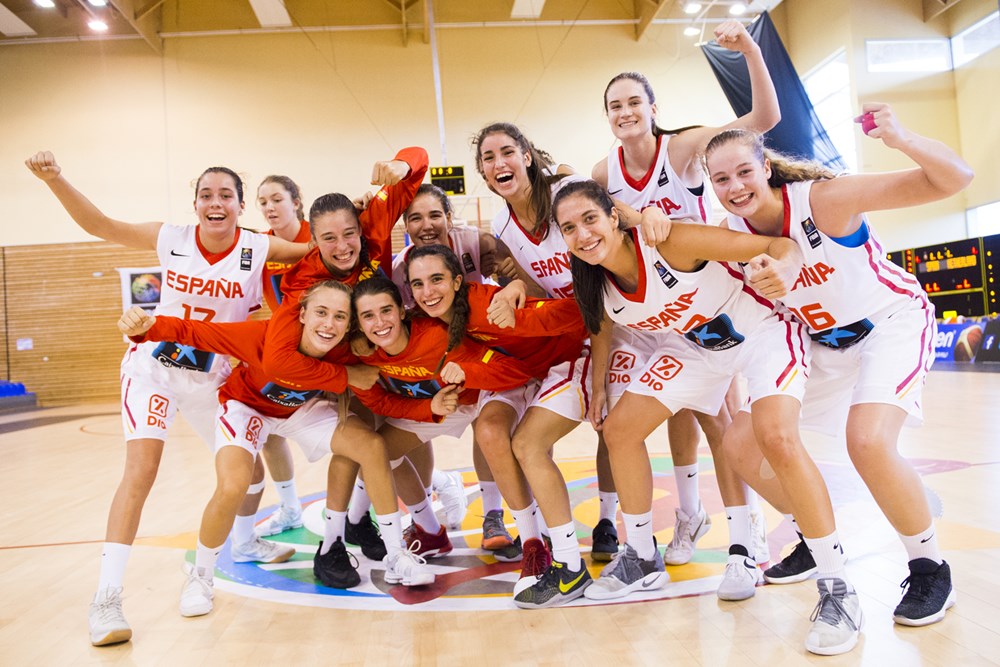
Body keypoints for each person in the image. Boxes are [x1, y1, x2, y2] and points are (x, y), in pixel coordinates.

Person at [702, 103, 973, 655]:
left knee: (867, 442)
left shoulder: (823, 200)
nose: (735, 187)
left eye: (744, 172)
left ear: (766, 168)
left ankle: (929, 568)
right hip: (821, 344)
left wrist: (902, 137)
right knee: (741, 444)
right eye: (721, 179)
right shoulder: (731, 236)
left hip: (888, 323)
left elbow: (954, 179)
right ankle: (814, 535)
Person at [25, 151, 309, 647]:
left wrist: (367, 211)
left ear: (241, 206)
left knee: (248, 474)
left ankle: (243, 543)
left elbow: (324, 251)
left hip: (212, 379)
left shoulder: (260, 246)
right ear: (195, 203)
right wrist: (56, 179)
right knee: (141, 472)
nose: (215, 203)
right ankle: (106, 598)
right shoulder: (171, 237)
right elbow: (100, 225)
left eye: (226, 195)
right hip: (154, 371)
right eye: (206, 195)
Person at [551, 180, 806, 608]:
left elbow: (775, 245)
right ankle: (642, 557)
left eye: (590, 219)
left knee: (739, 438)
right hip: (697, 346)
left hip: (759, 329)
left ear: (614, 217)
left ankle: (745, 549)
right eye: (569, 228)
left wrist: (785, 267)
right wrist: (597, 387)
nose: (582, 234)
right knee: (619, 430)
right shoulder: (595, 281)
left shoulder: (669, 242)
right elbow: (601, 327)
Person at [116, 281, 441, 617]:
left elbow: (379, 395)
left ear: (349, 325)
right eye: (321, 312)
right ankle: (200, 577)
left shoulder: (346, 351)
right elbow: (196, 332)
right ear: (302, 314)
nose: (329, 324)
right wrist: (148, 327)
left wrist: (430, 406)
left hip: (299, 411)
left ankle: (396, 556)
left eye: (340, 316)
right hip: (247, 408)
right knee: (233, 485)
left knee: (372, 446)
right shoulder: (261, 337)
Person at [592, 19, 781, 569]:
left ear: (653, 107)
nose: (625, 111)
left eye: (634, 101)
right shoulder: (605, 172)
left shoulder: (684, 146)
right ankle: (692, 513)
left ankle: (749, 527)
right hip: (657, 309)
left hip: (710, 297)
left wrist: (749, 49)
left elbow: (764, 119)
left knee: (720, 419)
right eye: (615, 105)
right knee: (674, 416)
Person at [259, 147, 428, 563]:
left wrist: (401, 165)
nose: (342, 246)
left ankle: (356, 522)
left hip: (380, 360)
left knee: (386, 445)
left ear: (360, 227)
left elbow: (418, 162)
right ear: (313, 241)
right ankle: (335, 541)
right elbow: (278, 361)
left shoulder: (373, 226)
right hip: (341, 372)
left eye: (349, 233)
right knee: (361, 446)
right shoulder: (303, 282)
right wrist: (344, 379)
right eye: (329, 239)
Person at [472, 122, 623, 564]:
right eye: (488, 158)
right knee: (539, 435)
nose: (499, 163)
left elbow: (618, 226)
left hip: (620, 317)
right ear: (483, 174)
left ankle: (608, 520)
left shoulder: (567, 192)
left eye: (507, 152)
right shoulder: (502, 223)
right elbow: (539, 289)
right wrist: (516, 286)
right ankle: (546, 540)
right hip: (575, 330)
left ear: (527, 156)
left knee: (613, 426)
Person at [403, 245, 590, 593]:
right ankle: (533, 545)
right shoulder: (429, 323)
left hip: (560, 362)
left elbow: (574, 315)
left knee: (529, 445)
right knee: (489, 431)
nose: (427, 292)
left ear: (457, 281)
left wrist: (521, 292)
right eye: (418, 284)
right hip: (515, 374)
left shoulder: (490, 305)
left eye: (436, 279)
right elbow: (505, 370)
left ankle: (570, 551)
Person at [350, 277, 539, 557]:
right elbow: (378, 401)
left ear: (401, 311)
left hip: (477, 396)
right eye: (368, 315)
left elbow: (514, 370)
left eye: (386, 310)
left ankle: (531, 531)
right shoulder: (362, 354)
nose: (379, 322)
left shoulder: (437, 337)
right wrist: (430, 408)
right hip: (437, 406)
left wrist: (469, 374)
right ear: (358, 323)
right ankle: (429, 532)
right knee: (378, 454)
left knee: (498, 437)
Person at [390, 185, 515, 553]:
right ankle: (427, 518)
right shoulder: (399, 269)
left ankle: (493, 515)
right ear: (405, 225)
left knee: (487, 428)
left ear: (449, 217)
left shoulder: (475, 242)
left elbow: (510, 267)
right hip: (437, 359)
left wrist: (510, 274)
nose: (426, 225)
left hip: (484, 350)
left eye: (434, 215)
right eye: (415, 218)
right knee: (403, 437)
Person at [253, 175, 312, 539]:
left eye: (276, 199)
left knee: (364, 432)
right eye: (263, 202)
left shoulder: (317, 236)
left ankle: (435, 482)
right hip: (287, 352)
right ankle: (290, 508)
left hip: (329, 349)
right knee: (268, 427)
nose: (269, 207)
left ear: (296, 201)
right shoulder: (259, 247)